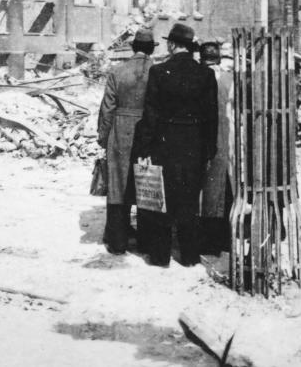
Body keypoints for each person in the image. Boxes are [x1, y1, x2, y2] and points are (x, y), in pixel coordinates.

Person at [136, 23, 218, 267]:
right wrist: (209, 150)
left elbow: (150, 114)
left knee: (163, 200)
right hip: (194, 144)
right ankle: (190, 257)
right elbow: (211, 117)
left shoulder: (159, 72)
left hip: (165, 142)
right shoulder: (206, 74)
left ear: (171, 44)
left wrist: (145, 148)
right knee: (189, 200)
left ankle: (161, 257)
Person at [96, 28, 156, 254]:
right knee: (147, 184)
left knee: (118, 185)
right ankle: (146, 242)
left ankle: (117, 242)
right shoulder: (158, 71)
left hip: (120, 130)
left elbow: (107, 108)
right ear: (151, 49)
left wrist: (103, 137)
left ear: (133, 47)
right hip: (148, 132)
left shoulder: (117, 71)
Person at [198, 41, 235, 255]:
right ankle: (223, 240)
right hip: (226, 141)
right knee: (223, 190)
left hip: (200, 141)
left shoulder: (196, 79)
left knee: (202, 192)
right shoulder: (229, 80)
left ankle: (204, 240)